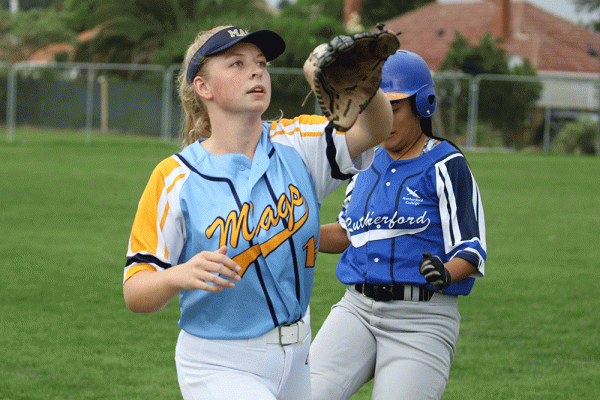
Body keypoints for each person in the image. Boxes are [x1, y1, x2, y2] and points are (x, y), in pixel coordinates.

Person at [122, 25, 393, 400]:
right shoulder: (175, 178)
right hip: (219, 363)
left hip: (298, 356)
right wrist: (178, 276)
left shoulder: (297, 144)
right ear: (204, 87)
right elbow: (135, 291)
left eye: (261, 63)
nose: (256, 72)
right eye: (236, 63)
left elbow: (375, 129)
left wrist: (364, 88)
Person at [310, 50, 487, 400]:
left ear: (423, 104)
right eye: (372, 108)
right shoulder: (365, 162)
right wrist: (294, 229)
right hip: (356, 310)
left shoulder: (446, 164)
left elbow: (471, 249)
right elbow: (347, 233)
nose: (382, 119)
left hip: (421, 319)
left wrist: (446, 272)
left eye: (392, 108)